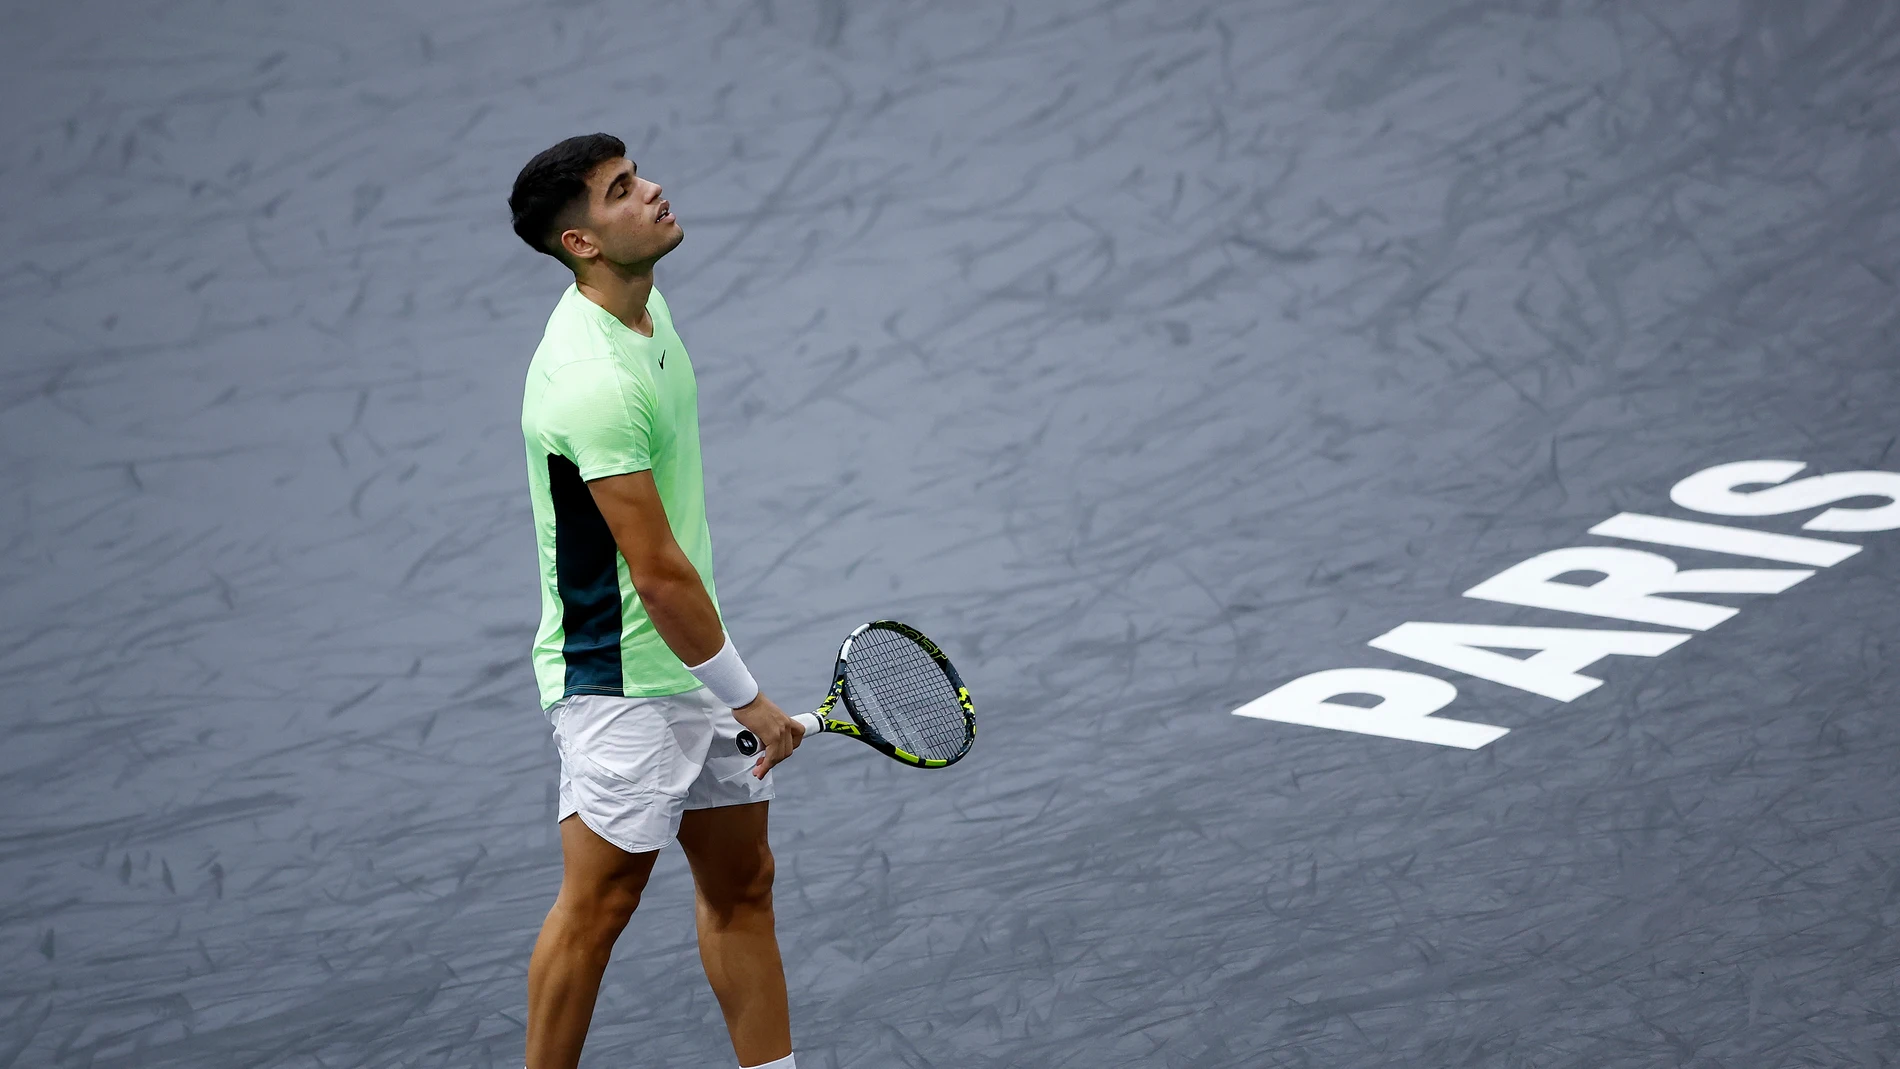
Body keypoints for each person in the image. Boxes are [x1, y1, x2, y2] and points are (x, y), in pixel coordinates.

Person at [509, 133, 805, 1069]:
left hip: (693, 652)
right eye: (621, 190)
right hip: (620, 681)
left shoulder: (646, 309)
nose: (654, 190)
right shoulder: (589, 381)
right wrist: (747, 698)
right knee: (598, 907)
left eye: (638, 175)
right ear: (582, 244)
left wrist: (726, 686)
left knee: (742, 884)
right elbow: (657, 570)